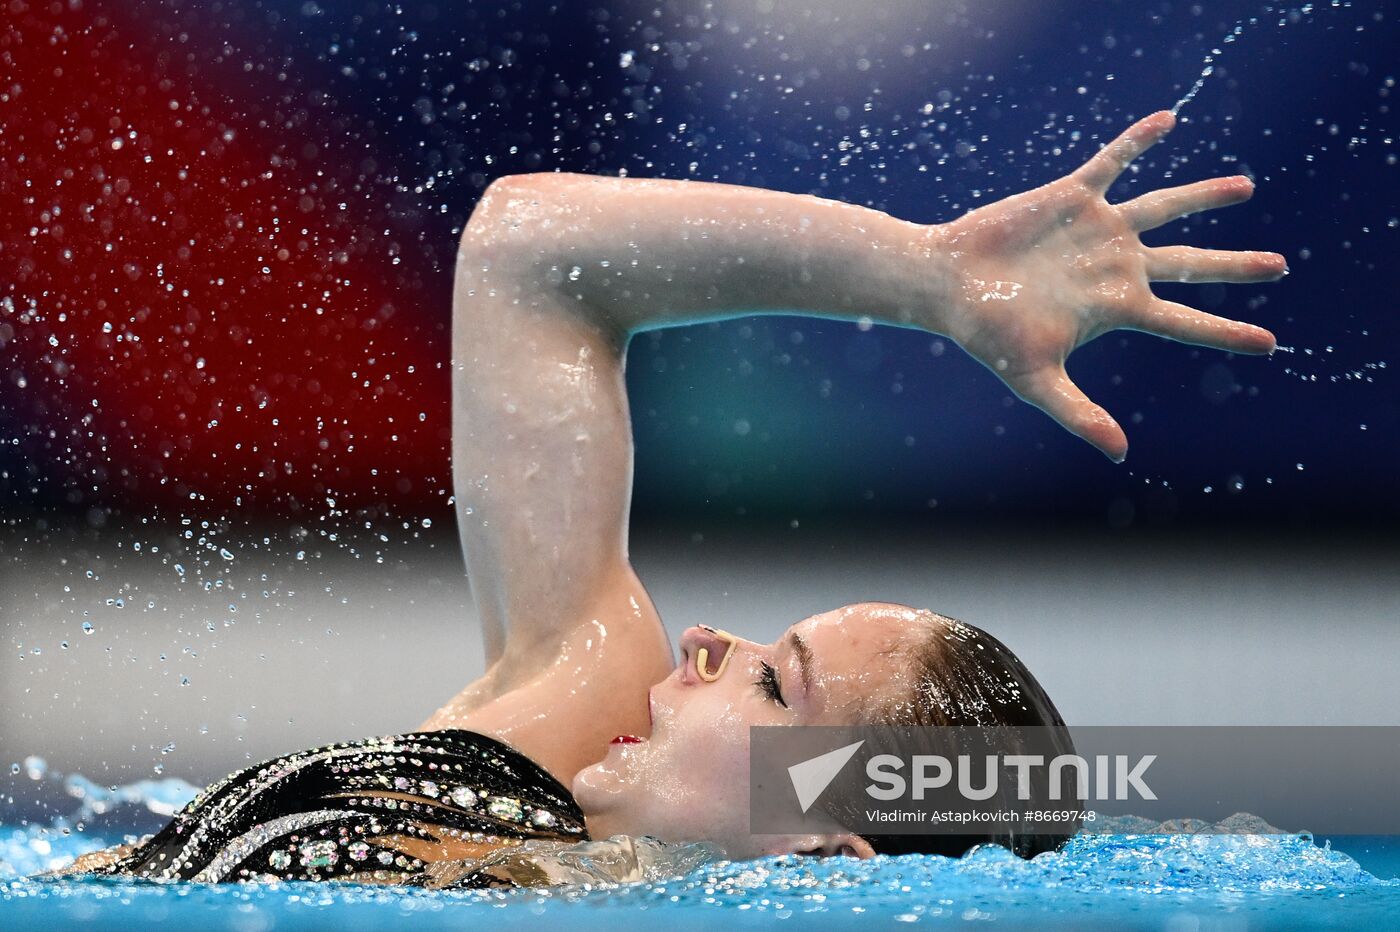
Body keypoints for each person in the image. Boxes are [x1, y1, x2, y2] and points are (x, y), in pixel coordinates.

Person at [60, 111, 1284, 886]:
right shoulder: (582, 698)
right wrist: (927, 275)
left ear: (813, 840)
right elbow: (528, 249)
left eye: (770, 680)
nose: (704, 636)